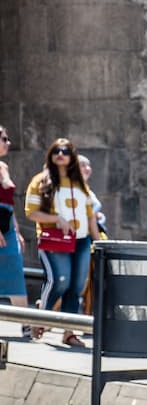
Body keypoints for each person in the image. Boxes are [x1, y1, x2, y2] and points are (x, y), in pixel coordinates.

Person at [24, 138, 101, 348]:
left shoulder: (79, 184)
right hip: (55, 239)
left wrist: (101, 243)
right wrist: (57, 220)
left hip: (81, 240)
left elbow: (90, 217)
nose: (61, 154)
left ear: (72, 156)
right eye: (56, 150)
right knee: (59, 282)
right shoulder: (41, 180)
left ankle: (69, 332)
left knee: (76, 287)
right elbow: (31, 212)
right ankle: (40, 319)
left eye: (65, 151)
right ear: (50, 154)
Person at [0, 126, 31, 335]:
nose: (8, 142)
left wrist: (17, 231)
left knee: (15, 273)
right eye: (4, 138)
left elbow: (8, 203)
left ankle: (26, 323)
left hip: (7, 226)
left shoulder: (4, 166)